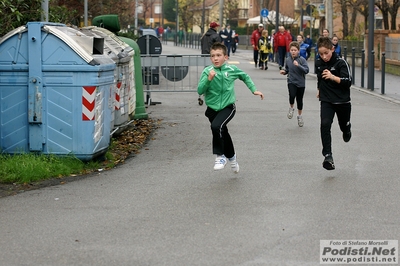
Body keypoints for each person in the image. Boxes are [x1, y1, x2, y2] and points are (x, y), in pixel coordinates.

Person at [197, 42, 264, 172]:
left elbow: (245, 76)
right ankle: (233, 159)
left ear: (226, 57)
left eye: (218, 55)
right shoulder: (207, 71)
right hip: (212, 109)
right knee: (223, 133)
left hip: (228, 107)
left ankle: (220, 156)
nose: (215, 58)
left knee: (216, 127)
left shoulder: (232, 70)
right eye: (212, 56)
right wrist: (208, 79)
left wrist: (253, 90)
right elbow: (200, 90)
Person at [315, 36, 352, 170]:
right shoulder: (319, 62)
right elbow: (320, 78)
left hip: (342, 101)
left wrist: (333, 77)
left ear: (333, 49)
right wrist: (319, 89)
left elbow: (348, 81)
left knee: (343, 125)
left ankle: (347, 129)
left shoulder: (341, 63)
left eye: (326, 53)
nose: (324, 56)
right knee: (325, 124)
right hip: (326, 100)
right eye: (321, 54)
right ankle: (328, 156)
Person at [280, 41, 309, 127]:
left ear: (298, 51)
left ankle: (299, 116)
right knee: (292, 95)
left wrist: (298, 65)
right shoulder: (288, 59)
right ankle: (291, 108)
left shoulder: (302, 60)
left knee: (299, 100)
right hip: (291, 81)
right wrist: (284, 72)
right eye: (291, 50)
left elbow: (306, 70)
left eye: (295, 50)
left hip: (301, 83)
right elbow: (287, 69)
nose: (293, 52)